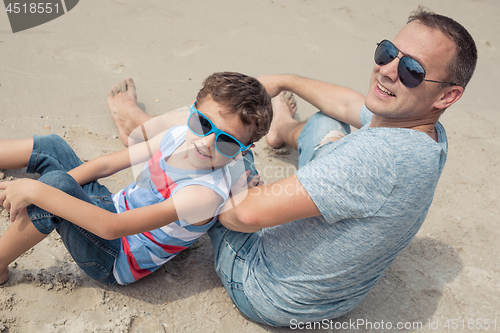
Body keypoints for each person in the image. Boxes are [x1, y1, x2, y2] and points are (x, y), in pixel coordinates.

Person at [100, 7, 478, 326]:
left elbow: (242, 215)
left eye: (411, 69)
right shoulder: (426, 132)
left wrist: (229, 164)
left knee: (220, 130)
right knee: (328, 125)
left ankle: (142, 128)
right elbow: (349, 106)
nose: (388, 71)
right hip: (337, 295)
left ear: (448, 94)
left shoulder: (373, 158)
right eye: (388, 52)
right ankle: (282, 129)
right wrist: (286, 81)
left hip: (268, 286)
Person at [0, 72, 272, 286]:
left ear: (243, 151)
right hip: (111, 206)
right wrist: (41, 194)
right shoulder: (177, 136)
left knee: (56, 185)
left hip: (114, 256)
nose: (207, 142)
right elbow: (106, 164)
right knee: (54, 147)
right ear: (192, 111)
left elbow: (111, 228)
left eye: (227, 142)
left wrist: (37, 192)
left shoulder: (204, 194)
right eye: (202, 124)